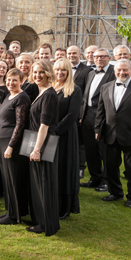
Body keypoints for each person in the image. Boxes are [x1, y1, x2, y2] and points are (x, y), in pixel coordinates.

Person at [95, 59, 131, 208]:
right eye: (119, 70)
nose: (122, 73)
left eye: (125, 70)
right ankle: (115, 192)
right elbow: (100, 112)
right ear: (114, 72)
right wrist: (98, 130)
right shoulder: (105, 87)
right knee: (111, 167)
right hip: (110, 135)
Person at [0, 68, 31, 226]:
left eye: (15, 80)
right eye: (8, 80)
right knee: (7, 178)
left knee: (14, 179)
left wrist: (10, 146)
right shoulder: (9, 95)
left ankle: (14, 215)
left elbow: (20, 125)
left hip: (11, 143)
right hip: (1, 141)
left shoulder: (22, 97)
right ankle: (11, 210)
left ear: (22, 80)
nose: (11, 83)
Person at [26, 60, 60, 236]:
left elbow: (44, 125)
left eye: (41, 72)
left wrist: (37, 149)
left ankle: (46, 224)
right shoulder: (41, 91)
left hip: (43, 142)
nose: (38, 76)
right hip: (36, 140)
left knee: (44, 183)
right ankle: (40, 220)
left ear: (48, 73)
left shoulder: (49, 95)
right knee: (38, 182)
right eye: (35, 72)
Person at [80, 48, 115, 191]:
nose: (99, 59)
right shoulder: (90, 73)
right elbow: (86, 96)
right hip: (87, 116)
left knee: (105, 151)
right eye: (96, 57)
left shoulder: (114, 73)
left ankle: (107, 181)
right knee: (90, 149)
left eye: (102, 57)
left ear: (109, 58)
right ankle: (95, 177)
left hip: (104, 117)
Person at [53, 58, 82, 219]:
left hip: (65, 135)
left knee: (64, 169)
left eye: (63, 70)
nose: (60, 73)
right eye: (57, 69)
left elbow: (72, 115)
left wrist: (55, 131)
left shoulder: (74, 89)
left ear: (69, 72)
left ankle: (64, 207)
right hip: (50, 134)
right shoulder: (50, 87)